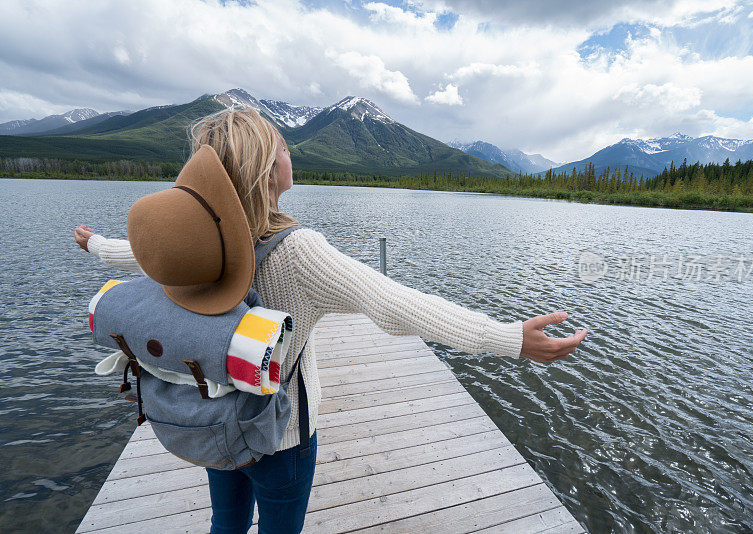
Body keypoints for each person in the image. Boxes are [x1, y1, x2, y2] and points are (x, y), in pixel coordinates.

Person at [74, 107, 588, 534]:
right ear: (266, 169)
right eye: (281, 144)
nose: (288, 151)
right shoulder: (297, 252)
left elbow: (143, 257)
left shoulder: (195, 246)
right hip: (281, 434)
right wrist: (508, 338)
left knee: (226, 522)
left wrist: (97, 245)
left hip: (216, 420)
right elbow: (394, 303)